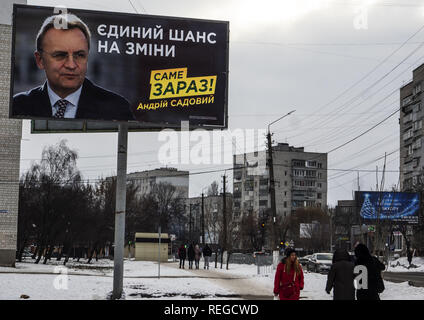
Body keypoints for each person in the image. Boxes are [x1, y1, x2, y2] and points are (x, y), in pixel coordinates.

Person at [12, 13, 135, 121]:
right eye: (60, 55)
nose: (71, 65)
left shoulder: (116, 108)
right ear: (40, 60)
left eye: (80, 55)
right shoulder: (18, 106)